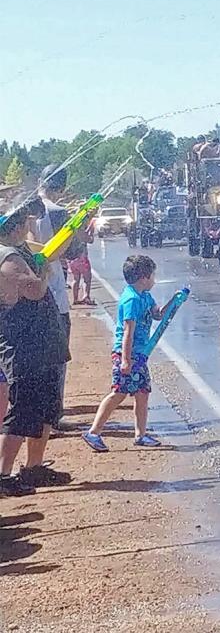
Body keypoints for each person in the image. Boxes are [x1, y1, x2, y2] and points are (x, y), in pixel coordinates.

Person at [0, 202, 70, 495]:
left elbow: (53, 249)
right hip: (26, 348)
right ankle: (4, 475)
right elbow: (35, 290)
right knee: (22, 413)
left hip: (43, 344)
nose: (30, 225)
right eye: (26, 222)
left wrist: (76, 224)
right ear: (15, 227)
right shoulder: (8, 258)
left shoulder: (21, 248)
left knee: (45, 410)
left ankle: (34, 468)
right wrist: (44, 271)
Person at [82, 255, 169, 452]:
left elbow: (158, 314)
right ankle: (93, 432)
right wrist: (125, 360)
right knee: (119, 393)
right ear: (144, 277)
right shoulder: (131, 299)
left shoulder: (145, 296)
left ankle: (141, 434)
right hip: (127, 354)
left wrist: (174, 301)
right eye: (153, 276)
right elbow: (127, 333)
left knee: (142, 393)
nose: (154, 280)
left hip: (140, 354)